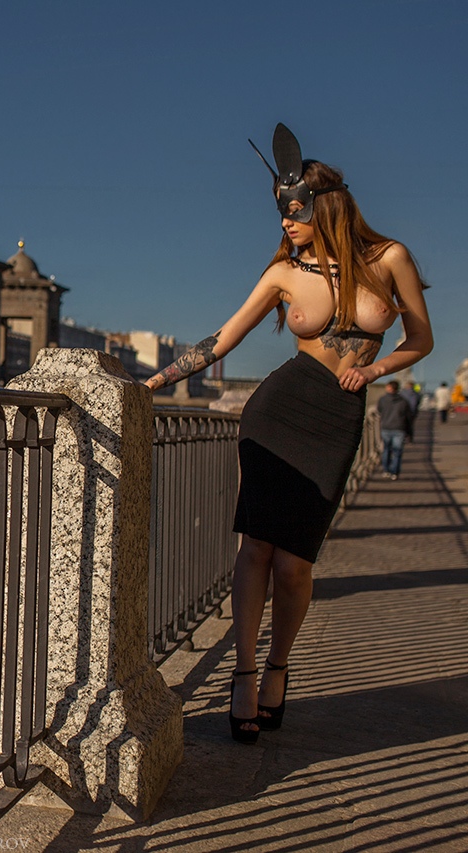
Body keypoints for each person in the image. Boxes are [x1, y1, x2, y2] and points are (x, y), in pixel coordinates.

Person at [144, 124, 433, 744]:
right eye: (281, 213)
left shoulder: (390, 259)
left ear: (324, 205)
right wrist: (152, 384)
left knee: (296, 563)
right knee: (256, 548)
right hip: (277, 411)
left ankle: (279, 665)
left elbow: (421, 340)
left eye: (294, 211)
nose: (285, 223)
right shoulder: (283, 272)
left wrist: (374, 369)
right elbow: (221, 339)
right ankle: (245, 673)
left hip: (337, 417)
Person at [377, 380, 413, 479]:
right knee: (397, 451)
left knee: (386, 450)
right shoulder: (403, 401)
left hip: (386, 427)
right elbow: (408, 417)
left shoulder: (382, 399)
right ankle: (395, 472)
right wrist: (409, 432)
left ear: (389, 388)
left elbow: (379, 410)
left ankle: (386, 470)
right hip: (399, 428)